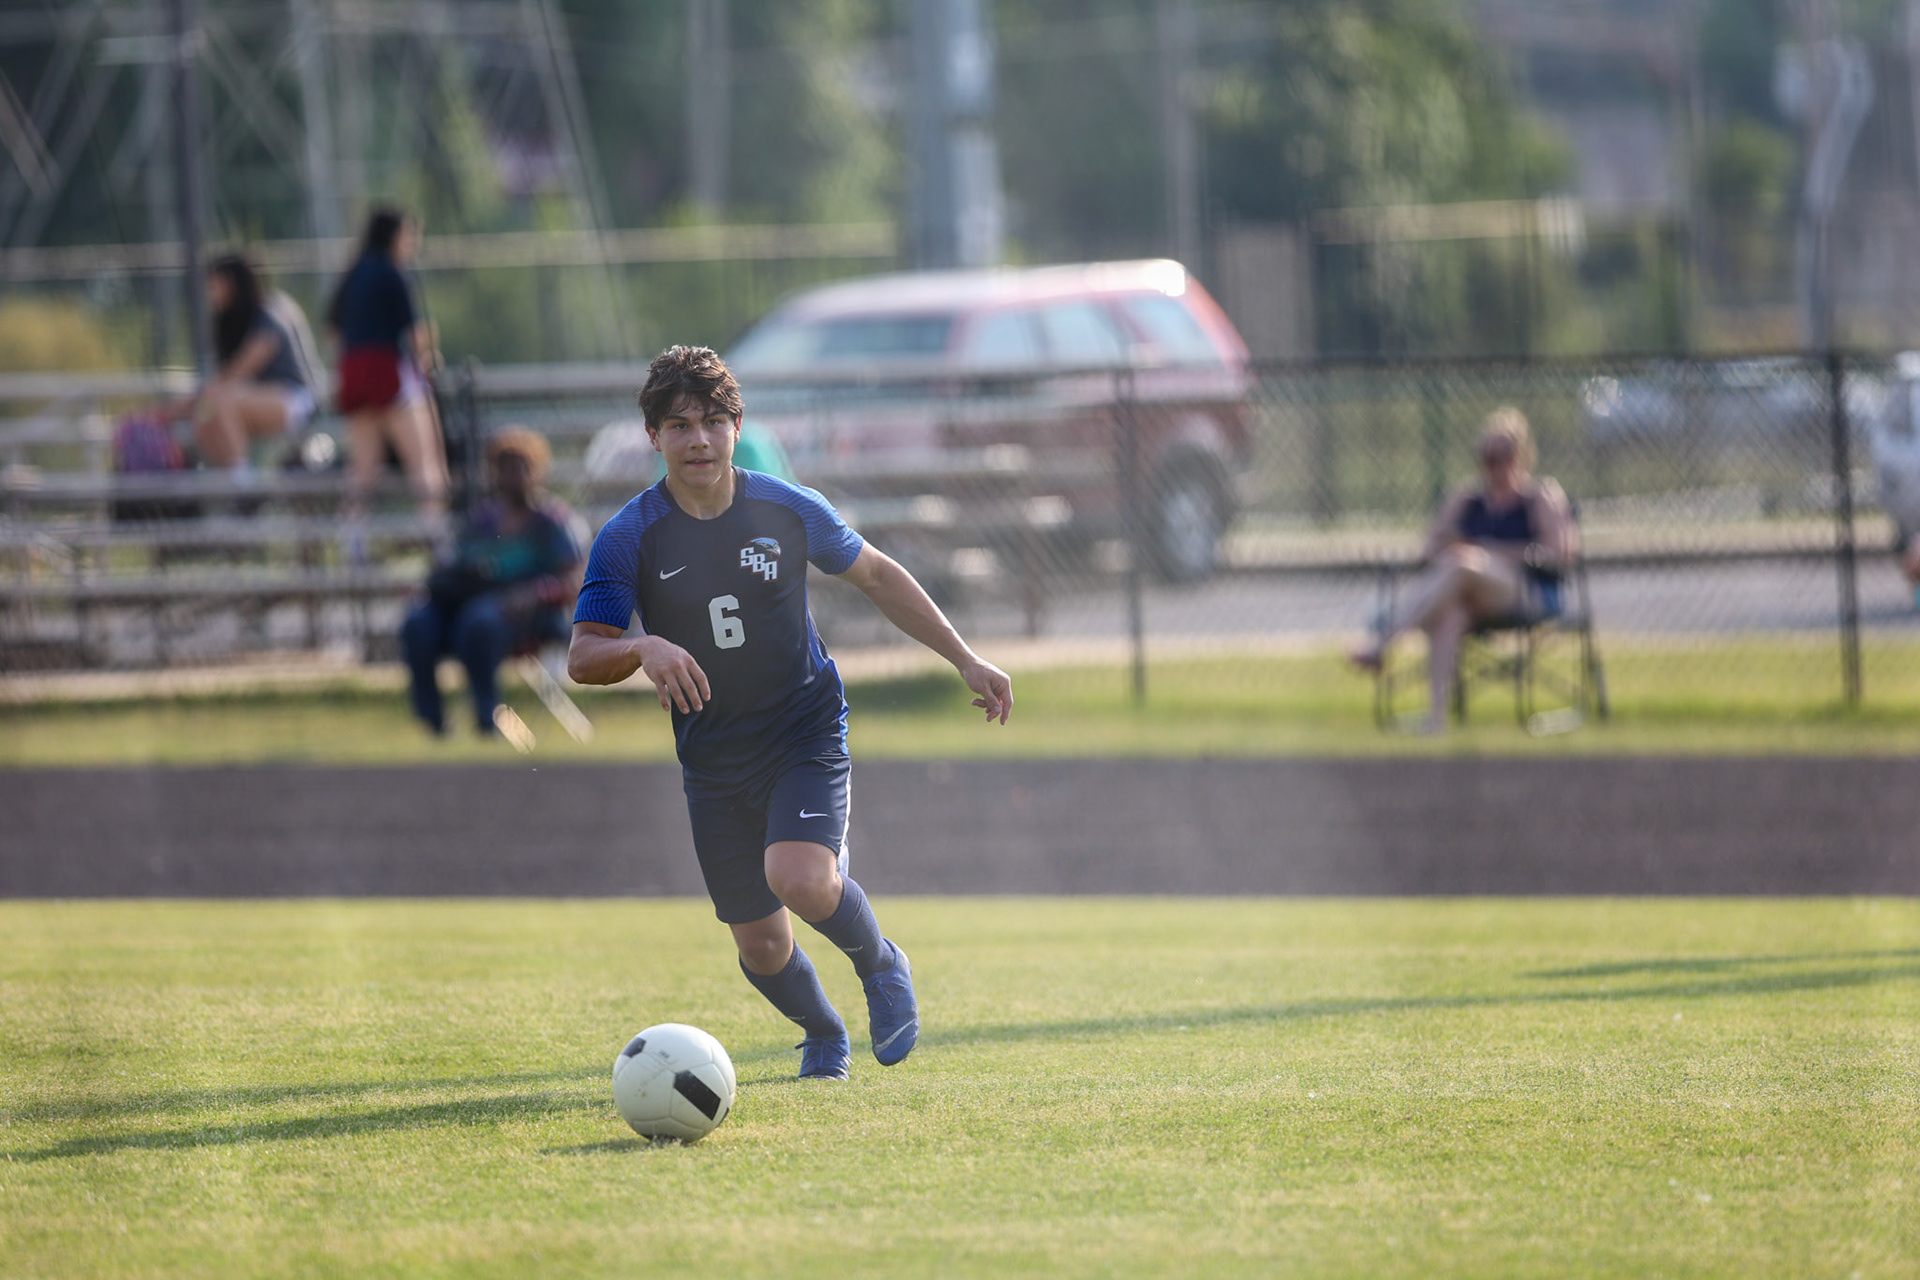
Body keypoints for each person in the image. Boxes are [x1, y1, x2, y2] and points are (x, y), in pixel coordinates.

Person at [568, 345, 1014, 1082]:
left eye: (713, 421)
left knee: (800, 878)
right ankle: (823, 1031)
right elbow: (583, 656)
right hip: (712, 761)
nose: (699, 440)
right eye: (679, 426)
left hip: (803, 732)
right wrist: (642, 647)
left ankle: (881, 964)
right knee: (762, 947)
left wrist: (965, 658)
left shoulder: (785, 507)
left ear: (738, 427)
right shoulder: (629, 537)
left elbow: (877, 574)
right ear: (653, 438)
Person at [1349, 407, 1575, 733]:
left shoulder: (1540, 495)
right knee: (1451, 613)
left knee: (1462, 562)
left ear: (1522, 454)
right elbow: (1429, 548)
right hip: (1469, 597)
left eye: (1502, 455)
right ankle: (1436, 720)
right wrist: (1450, 541)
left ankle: (1383, 640)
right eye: (1486, 456)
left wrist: (1485, 551)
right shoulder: (1467, 498)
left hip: (1527, 593)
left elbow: (1560, 553)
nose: (1494, 464)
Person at [400, 428, 582, 737]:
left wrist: (533, 593)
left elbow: (574, 579)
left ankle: (488, 716)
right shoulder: (480, 521)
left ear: (537, 470)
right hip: (472, 604)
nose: (513, 475)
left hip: (530, 615)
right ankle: (432, 720)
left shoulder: (553, 521)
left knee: (479, 622)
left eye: (521, 466)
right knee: (418, 623)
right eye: (504, 467)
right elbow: (452, 564)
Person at [327, 207, 448, 518]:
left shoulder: (353, 272)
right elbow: (413, 332)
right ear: (395, 236)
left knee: (363, 471)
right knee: (424, 464)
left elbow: (332, 327)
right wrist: (428, 361)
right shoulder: (393, 271)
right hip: (388, 372)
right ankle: (437, 539)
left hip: (353, 373)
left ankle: (353, 545)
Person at [174, 254, 316, 479]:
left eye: (214, 284)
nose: (209, 292)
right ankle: (233, 483)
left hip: (294, 400)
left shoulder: (268, 314)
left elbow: (240, 371)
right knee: (202, 419)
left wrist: (192, 400)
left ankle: (244, 485)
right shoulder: (227, 322)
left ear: (232, 284)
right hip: (253, 400)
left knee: (220, 401)